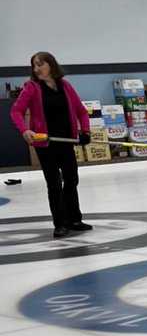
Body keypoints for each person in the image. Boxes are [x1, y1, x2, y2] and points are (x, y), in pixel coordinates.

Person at [8, 51, 94, 238]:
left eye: (40, 64)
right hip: (45, 144)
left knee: (71, 180)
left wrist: (85, 131)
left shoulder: (66, 86)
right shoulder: (32, 88)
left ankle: (75, 219)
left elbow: (81, 112)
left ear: (51, 65)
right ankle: (60, 224)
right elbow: (16, 111)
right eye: (34, 65)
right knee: (54, 183)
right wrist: (25, 130)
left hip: (66, 142)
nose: (37, 68)